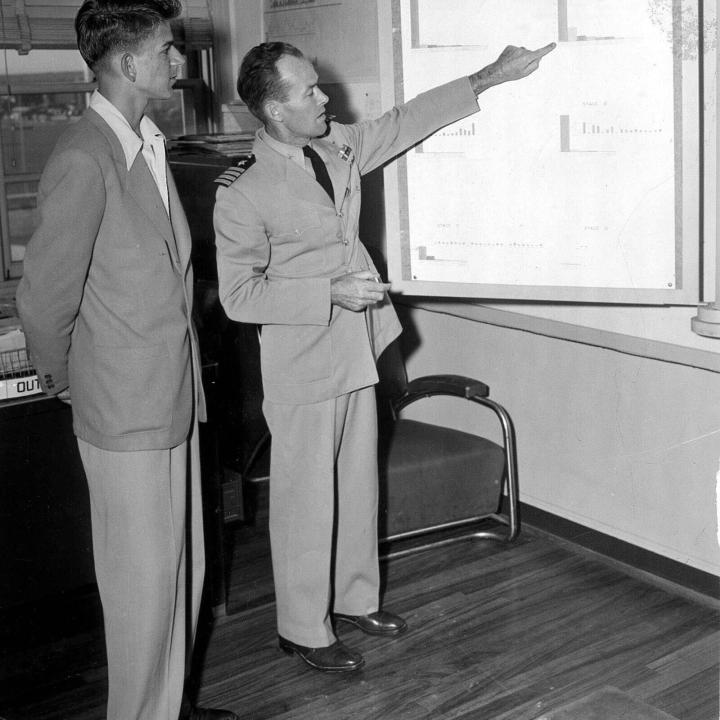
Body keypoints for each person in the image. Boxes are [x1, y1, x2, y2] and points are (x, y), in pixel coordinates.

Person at [213, 40, 554, 673]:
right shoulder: (243, 191)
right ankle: (302, 628)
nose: (325, 97)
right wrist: (330, 291)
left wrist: (492, 75)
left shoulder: (337, 145)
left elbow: (405, 121)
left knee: (356, 484)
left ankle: (353, 600)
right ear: (274, 111)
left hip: (357, 349)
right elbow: (237, 296)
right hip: (302, 362)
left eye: (320, 85)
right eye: (309, 92)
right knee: (306, 501)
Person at [16, 2, 238, 718]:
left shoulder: (146, 141)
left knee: (184, 572)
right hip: (123, 409)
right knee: (144, 591)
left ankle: (165, 706)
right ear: (129, 64)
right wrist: (73, 385)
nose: (181, 62)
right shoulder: (86, 156)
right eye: (169, 50)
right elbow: (44, 299)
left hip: (171, 401)